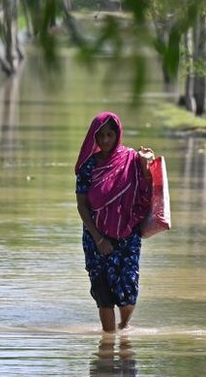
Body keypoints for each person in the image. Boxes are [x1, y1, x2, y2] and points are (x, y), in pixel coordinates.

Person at [75, 111, 155, 332]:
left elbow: (146, 191)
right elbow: (82, 206)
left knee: (128, 291)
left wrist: (146, 165)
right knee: (103, 292)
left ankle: (124, 326)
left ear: (117, 134)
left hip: (127, 234)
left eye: (110, 135)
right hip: (95, 236)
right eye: (100, 136)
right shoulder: (88, 167)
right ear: (94, 137)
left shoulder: (130, 159)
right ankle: (107, 345)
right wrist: (99, 240)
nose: (105, 140)